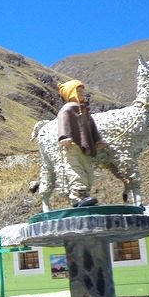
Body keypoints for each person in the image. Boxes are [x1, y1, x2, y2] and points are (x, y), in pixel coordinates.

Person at [57, 79, 104, 207]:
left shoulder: (84, 110)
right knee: (76, 170)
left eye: (82, 91)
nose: (82, 93)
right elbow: (63, 121)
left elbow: (91, 126)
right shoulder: (67, 109)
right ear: (71, 93)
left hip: (85, 147)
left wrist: (97, 139)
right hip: (72, 146)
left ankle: (85, 196)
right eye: (79, 91)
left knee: (88, 172)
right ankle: (77, 197)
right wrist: (64, 136)